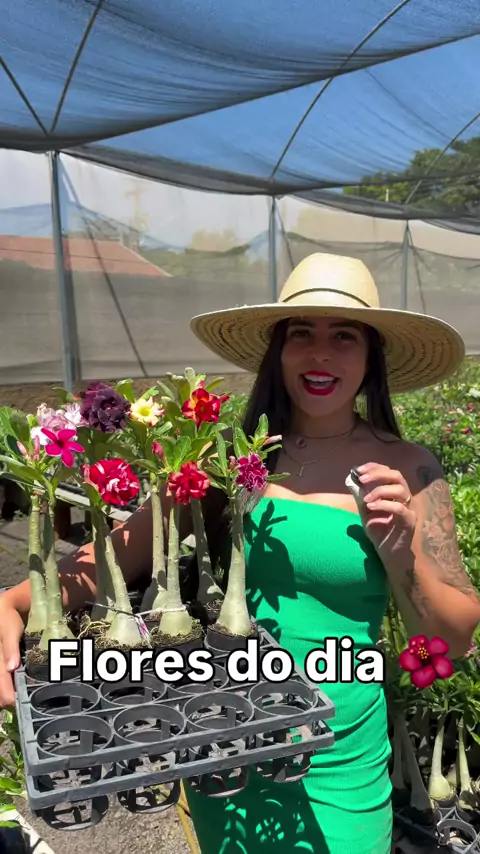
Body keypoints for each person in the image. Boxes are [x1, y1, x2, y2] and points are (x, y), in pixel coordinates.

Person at [0, 252, 479, 854]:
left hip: (341, 758)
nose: (321, 354)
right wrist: (15, 601)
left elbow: (450, 638)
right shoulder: (234, 456)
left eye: (344, 336)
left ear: (371, 357)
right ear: (278, 351)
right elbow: (123, 551)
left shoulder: (408, 468)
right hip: (226, 740)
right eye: (301, 333)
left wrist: (402, 556)